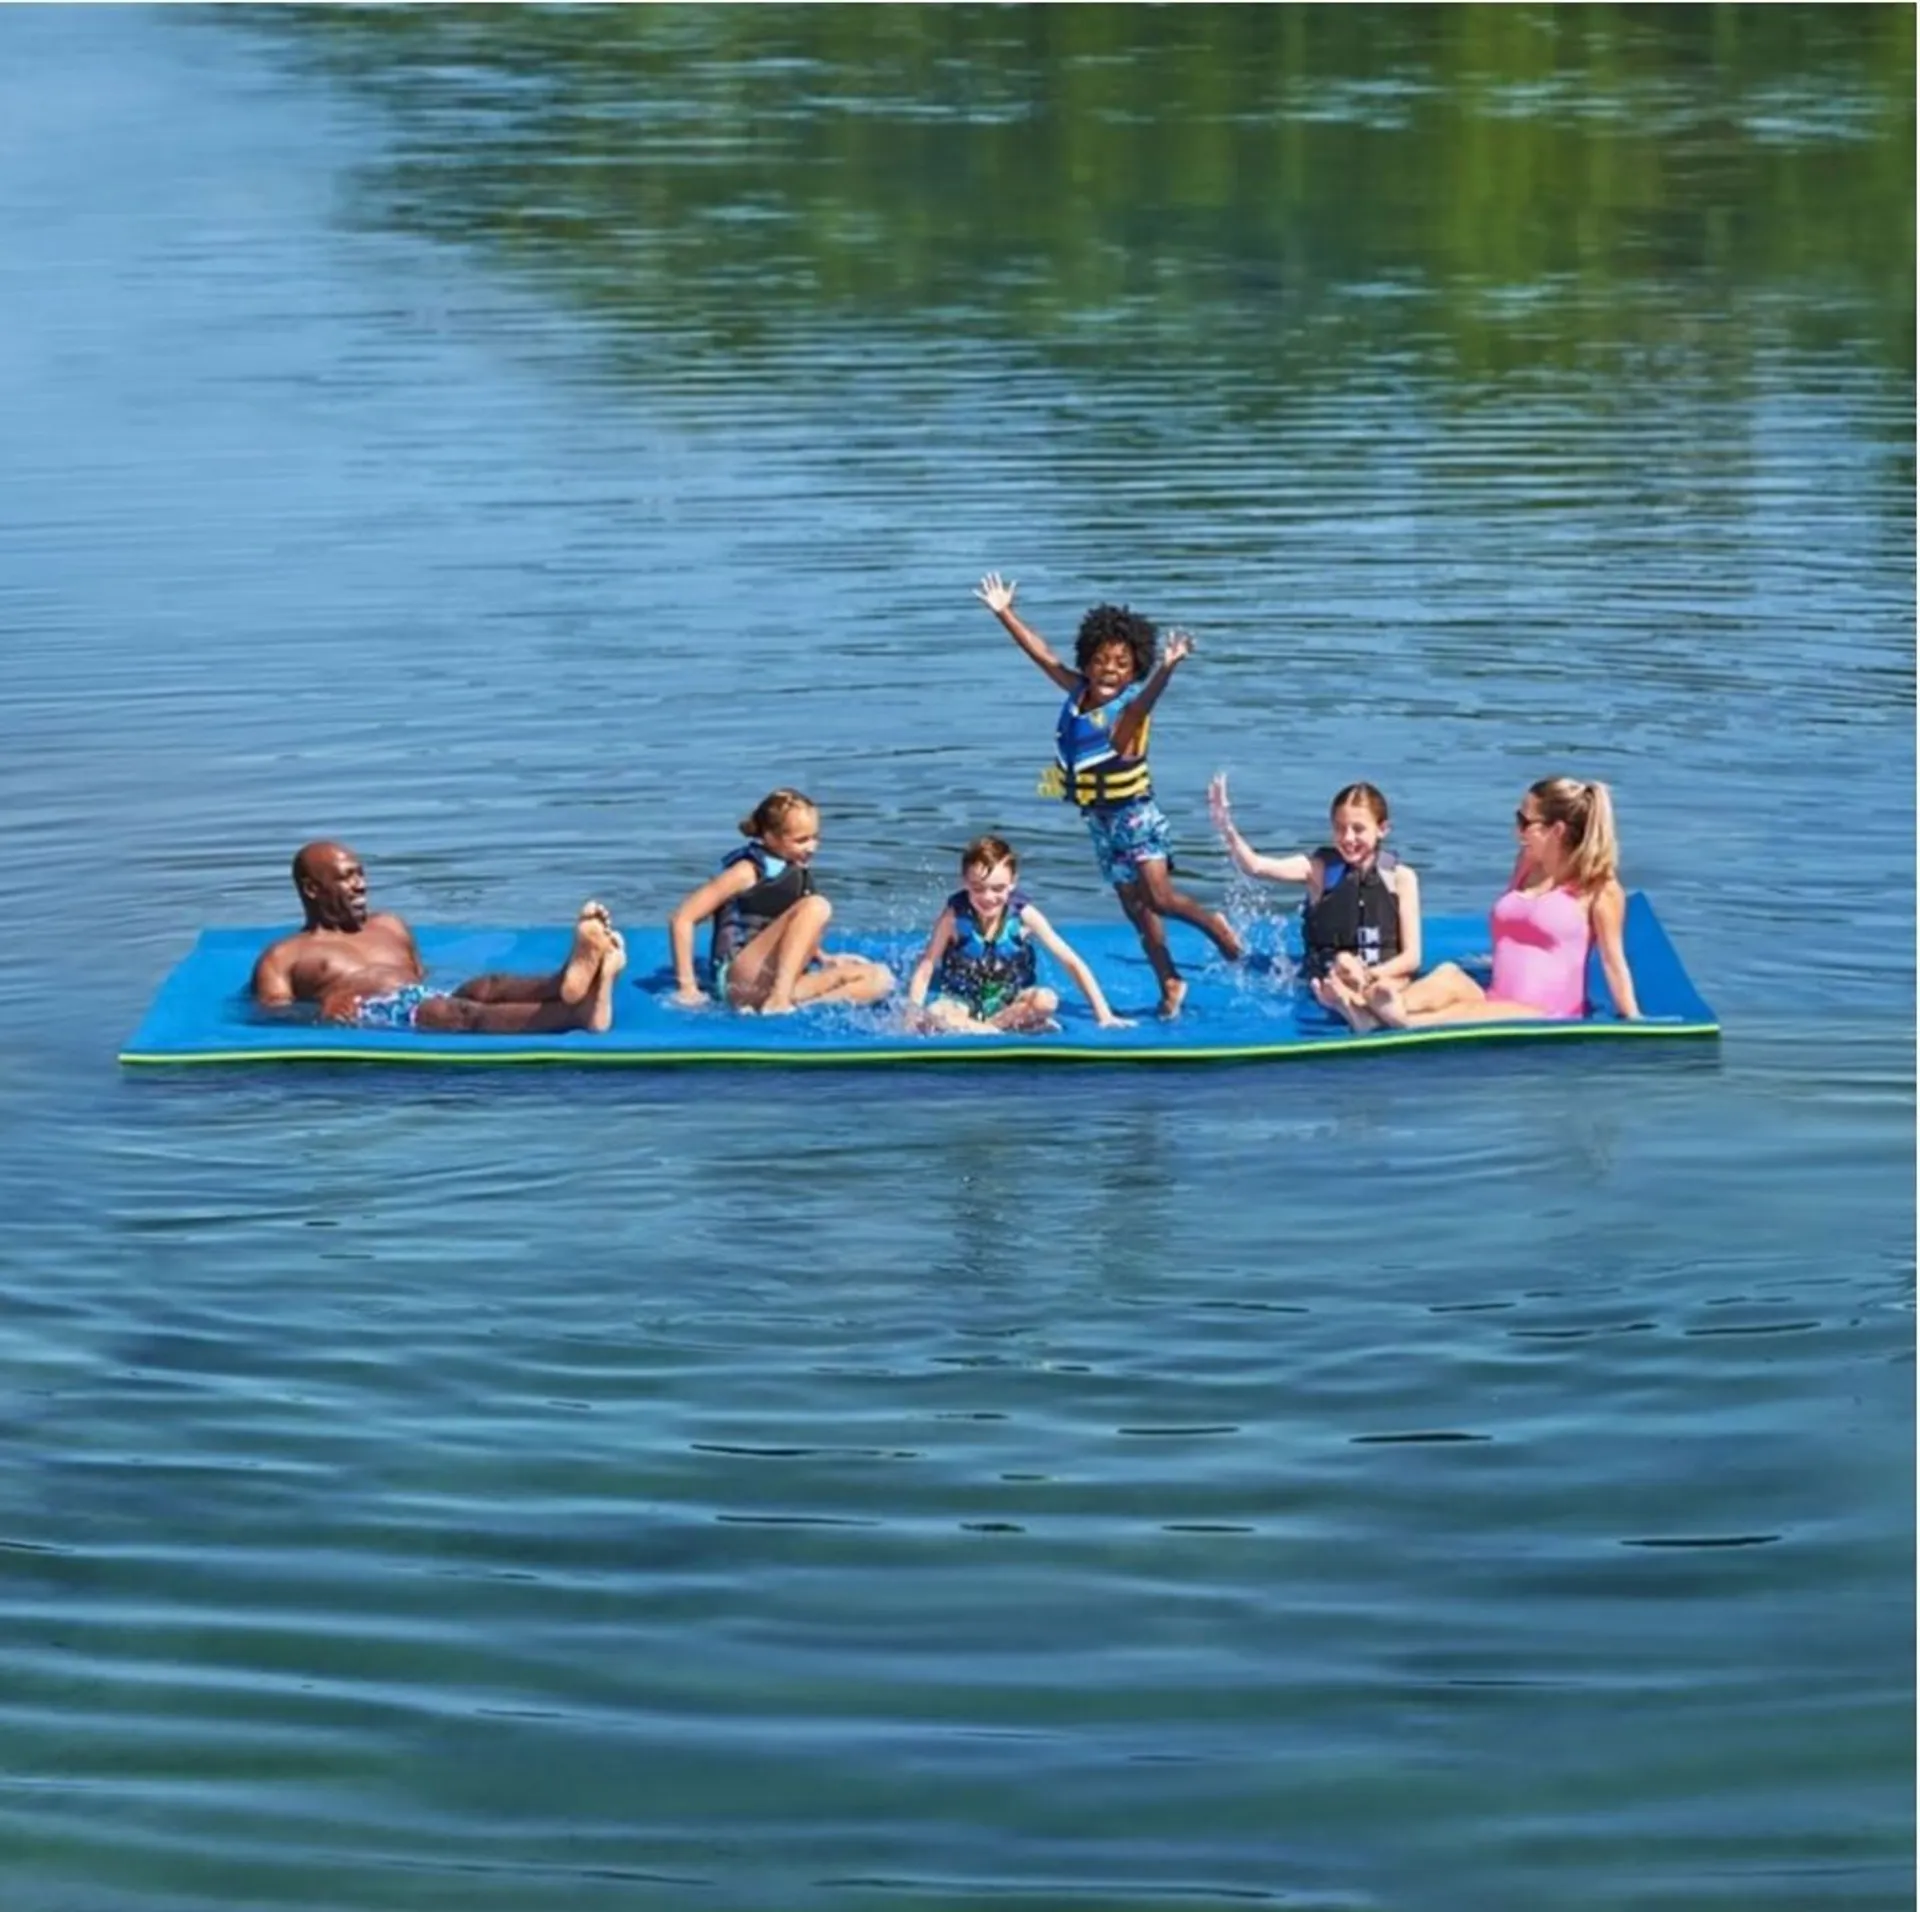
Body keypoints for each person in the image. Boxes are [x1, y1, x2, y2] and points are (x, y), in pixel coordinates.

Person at [974, 571, 1241, 1018]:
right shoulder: (1078, 691)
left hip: (1136, 816)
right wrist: (1005, 613)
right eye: (1101, 660)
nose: (1109, 670)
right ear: (1088, 659)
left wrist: (1167, 668)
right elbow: (1042, 655)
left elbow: (1144, 704)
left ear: (1135, 667)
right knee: (1136, 909)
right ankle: (1170, 981)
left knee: (1159, 897)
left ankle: (1215, 926)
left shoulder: (1129, 708)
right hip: (1099, 820)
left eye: (1121, 663)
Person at [1318, 778, 1643, 1032]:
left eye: (1524, 821)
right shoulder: (1527, 864)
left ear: (1555, 830)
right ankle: (1367, 1005)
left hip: (1545, 1012)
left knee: (1463, 1013)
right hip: (1496, 996)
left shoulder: (1600, 889)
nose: (1517, 830)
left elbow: (1615, 964)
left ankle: (1382, 1017)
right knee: (1449, 975)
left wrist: (1632, 1018)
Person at [249, 841, 627, 1033]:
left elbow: (419, 977)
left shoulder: (389, 925)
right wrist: (319, 1011)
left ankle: (569, 980)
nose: (360, 886)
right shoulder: (285, 956)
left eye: (361, 875)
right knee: (459, 1013)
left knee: (485, 985)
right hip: (375, 1012)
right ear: (313, 889)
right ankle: (573, 1013)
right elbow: (269, 1016)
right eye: (346, 878)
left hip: (419, 999)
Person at [667, 788, 894, 1015]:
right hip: (739, 979)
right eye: (801, 840)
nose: (812, 847)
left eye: (816, 837)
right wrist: (688, 987)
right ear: (770, 837)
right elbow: (682, 918)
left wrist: (824, 959)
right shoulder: (746, 871)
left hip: (770, 982)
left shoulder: (796, 871)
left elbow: (792, 930)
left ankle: (798, 1006)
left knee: (879, 978)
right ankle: (779, 1001)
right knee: (817, 906)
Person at [1208, 774, 1423, 1009]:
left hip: (1382, 981)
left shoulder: (1402, 878)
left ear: (1382, 829)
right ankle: (1231, 946)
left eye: (1358, 829)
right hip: (1328, 986)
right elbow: (1257, 866)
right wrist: (1227, 828)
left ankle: (1233, 946)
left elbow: (1412, 958)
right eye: (1340, 829)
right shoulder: (1319, 870)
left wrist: (1370, 975)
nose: (1348, 838)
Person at [905, 834, 1132, 1035]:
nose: (987, 897)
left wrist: (1104, 1015)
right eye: (978, 888)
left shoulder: (1025, 916)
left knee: (1046, 1001)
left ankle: (980, 1029)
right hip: (961, 1002)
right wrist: (911, 1016)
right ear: (965, 883)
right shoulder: (953, 918)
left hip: (1010, 1003)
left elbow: (1071, 962)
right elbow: (926, 968)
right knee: (936, 1012)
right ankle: (996, 1031)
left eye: (998, 888)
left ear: (1013, 883)